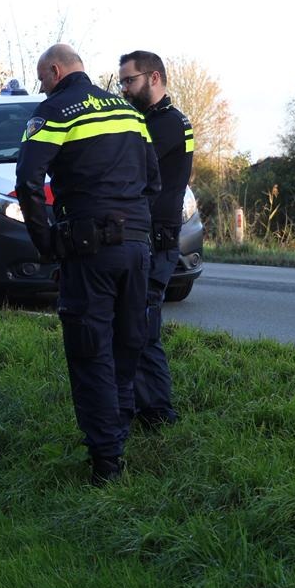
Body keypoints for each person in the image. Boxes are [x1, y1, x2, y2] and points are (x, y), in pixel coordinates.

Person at [14, 43, 159, 485]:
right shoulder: (128, 111)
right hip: (137, 247)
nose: (42, 86)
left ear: (55, 71)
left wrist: (45, 241)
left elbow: (27, 179)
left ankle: (106, 461)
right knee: (128, 342)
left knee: (90, 349)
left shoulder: (55, 111)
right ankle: (120, 432)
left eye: (42, 79)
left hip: (88, 249)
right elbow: (154, 178)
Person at [118, 50, 195, 429]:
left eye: (129, 81)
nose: (124, 89)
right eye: (121, 82)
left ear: (154, 78)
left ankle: (159, 413)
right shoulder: (147, 119)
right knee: (133, 325)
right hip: (143, 237)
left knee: (144, 327)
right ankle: (135, 406)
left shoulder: (169, 124)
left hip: (159, 239)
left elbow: (127, 161)